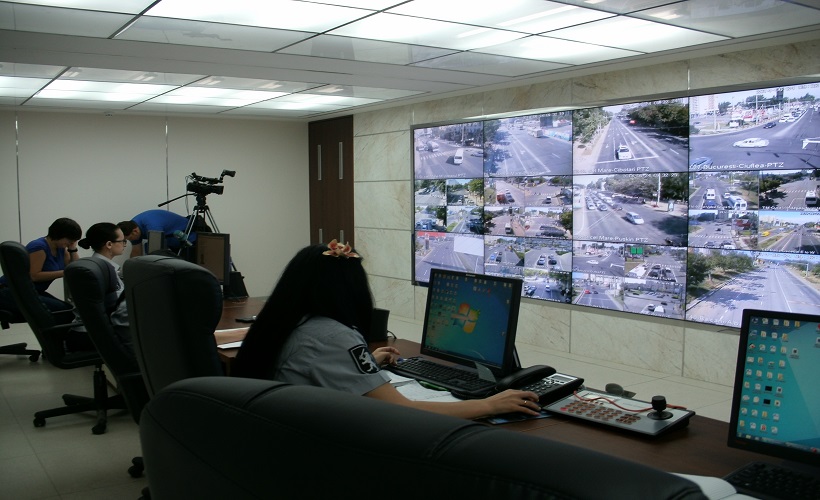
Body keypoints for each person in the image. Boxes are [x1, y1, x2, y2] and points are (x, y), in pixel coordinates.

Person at [233, 240, 541, 420]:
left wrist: (363, 364)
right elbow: (404, 413)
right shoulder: (335, 337)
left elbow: (316, 365)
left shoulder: (286, 321)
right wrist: (488, 405)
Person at [0, 217, 82, 321]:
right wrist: (65, 272)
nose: (71, 243)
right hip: (9, 291)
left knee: (68, 310)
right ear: (59, 235)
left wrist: (73, 249)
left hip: (30, 290)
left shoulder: (61, 248)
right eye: (70, 240)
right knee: (64, 312)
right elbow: (34, 276)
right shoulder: (39, 247)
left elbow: (75, 267)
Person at [76, 223, 129, 327]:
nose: (125, 245)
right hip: (98, 329)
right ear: (109, 244)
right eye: (123, 241)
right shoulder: (104, 271)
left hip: (91, 327)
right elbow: (119, 305)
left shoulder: (96, 264)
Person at [118, 209, 202, 258]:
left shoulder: (153, 225)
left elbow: (156, 253)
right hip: (172, 242)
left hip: (189, 239)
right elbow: (136, 252)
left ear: (135, 231)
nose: (130, 240)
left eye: (129, 239)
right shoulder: (132, 227)